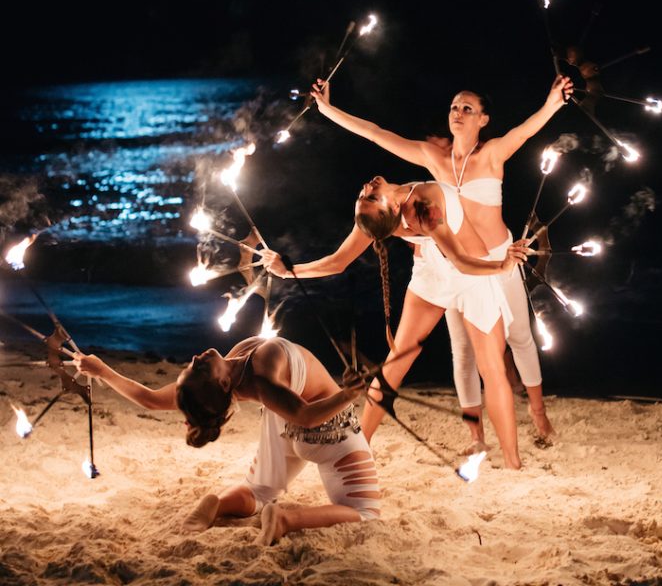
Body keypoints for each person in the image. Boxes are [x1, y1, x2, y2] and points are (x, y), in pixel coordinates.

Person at [306, 74, 573, 447]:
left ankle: (539, 416)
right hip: (455, 264)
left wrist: (553, 103)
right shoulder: (433, 158)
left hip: (499, 257)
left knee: (520, 338)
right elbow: (375, 132)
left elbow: (525, 131)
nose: (458, 113)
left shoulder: (492, 153)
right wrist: (327, 109)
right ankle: (477, 438)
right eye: (453, 107)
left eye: (468, 108)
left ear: (483, 119)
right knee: (462, 352)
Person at [263, 175, 530, 469]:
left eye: (364, 195)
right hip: (459, 271)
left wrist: (287, 270)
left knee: (486, 366)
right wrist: (501, 265)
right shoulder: (422, 205)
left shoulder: (377, 215)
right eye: (370, 197)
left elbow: (338, 262)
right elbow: (459, 260)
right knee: (410, 366)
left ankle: (510, 462)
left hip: (451, 269)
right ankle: (359, 450)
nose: (366, 189)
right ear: (390, 209)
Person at [74, 335, 380, 544]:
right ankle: (287, 519)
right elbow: (307, 415)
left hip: (282, 430)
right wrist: (350, 393)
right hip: (331, 431)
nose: (195, 357)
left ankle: (218, 504)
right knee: (366, 512)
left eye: (191, 366)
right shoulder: (261, 369)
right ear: (222, 382)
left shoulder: (235, 365)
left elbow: (152, 399)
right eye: (200, 367)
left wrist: (101, 370)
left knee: (259, 490)